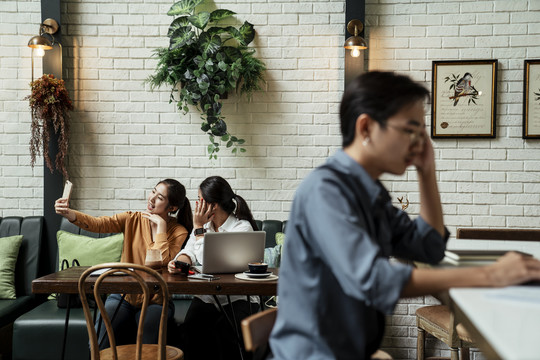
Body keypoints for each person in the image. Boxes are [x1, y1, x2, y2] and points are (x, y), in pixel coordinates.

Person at [268, 71, 540, 359]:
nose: (419, 142)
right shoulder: (326, 191)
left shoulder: (370, 193)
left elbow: (429, 247)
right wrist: (490, 275)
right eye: (410, 130)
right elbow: (374, 280)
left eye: (421, 133)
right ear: (366, 128)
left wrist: (427, 171)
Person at [55, 178, 193, 349]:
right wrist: (69, 213)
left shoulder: (178, 231)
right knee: (98, 343)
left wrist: (162, 228)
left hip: (156, 300)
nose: (151, 198)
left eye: (159, 198)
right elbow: (98, 224)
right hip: (122, 295)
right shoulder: (132, 219)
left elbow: (160, 261)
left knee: (150, 347)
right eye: (153, 191)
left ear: (172, 208)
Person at [167, 175, 259, 360]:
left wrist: (199, 229)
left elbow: (211, 261)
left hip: (239, 297)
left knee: (226, 335)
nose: (196, 204)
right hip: (209, 296)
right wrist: (180, 262)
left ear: (213, 205)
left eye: (200, 200)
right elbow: (190, 251)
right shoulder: (204, 226)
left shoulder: (242, 228)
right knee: (190, 332)